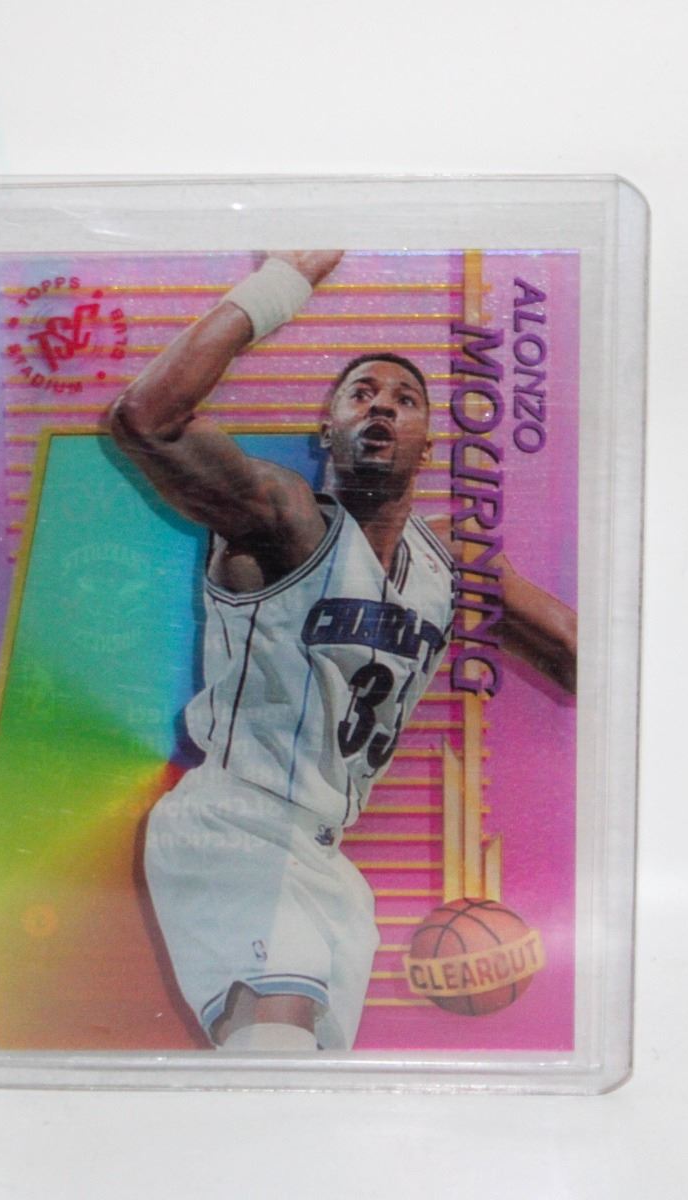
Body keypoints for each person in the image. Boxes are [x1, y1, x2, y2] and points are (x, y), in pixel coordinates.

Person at [103, 251, 577, 1052]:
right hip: (236, 823)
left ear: (429, 444)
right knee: (277, 1044)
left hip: (327, 861)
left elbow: (590, 661)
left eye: (405, 399)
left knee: (302, 1080)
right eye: (360, 394)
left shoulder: (450, 565)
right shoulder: (284, 519)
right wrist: (283, 280)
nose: (381, 405)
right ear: (328, 429)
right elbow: (146, 419)